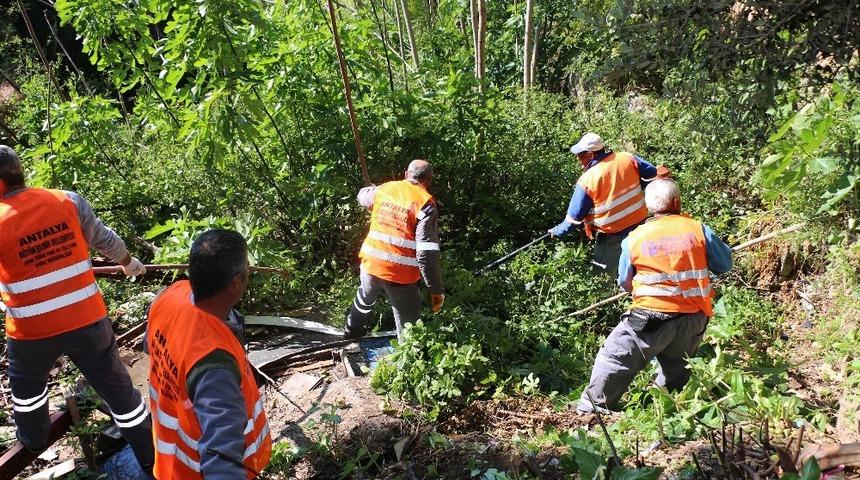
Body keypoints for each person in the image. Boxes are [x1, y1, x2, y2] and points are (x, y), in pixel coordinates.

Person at [0, 145, 153, 470]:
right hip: (88, 323)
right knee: (120, 394)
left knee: (26, 389)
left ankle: (34, 437)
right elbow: (104, 239)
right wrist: (128, 263)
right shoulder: (66, 200)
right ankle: (153, 460)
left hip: (32, 333)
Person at [577, 179, 732, 413]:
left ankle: (592, 408)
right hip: (694, 319)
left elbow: (624, 282)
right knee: (678, 369)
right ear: (677, 202)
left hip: (649, 318)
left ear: (649, 207)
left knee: (615, 358)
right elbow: (724, 264)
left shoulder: (635, 238)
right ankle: (664, 410)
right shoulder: (698, 229)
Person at [146, 229, 271, 479]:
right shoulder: (214, 365)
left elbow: (150, 346)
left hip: (169, 460)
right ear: (235, 283)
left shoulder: (170, 296)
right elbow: (221, 463)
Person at [345, 159, 444, 338]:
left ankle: (352, 332)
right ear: (428, 180)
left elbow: (362, 195)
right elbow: (426, 253)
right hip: (399, 273)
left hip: (370, 263)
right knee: (409, 322)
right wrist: (435, 289)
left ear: (406, 174)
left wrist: (371, 189)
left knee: (365, 300)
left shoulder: (385, 189)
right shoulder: (425, 203)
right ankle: (408, 359)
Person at [549, 132, 669, 277]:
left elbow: (573, 220)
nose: (578, 159)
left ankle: (606, 297)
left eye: (581, 155)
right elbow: (651, 174)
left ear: (591, 154)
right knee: (646, 268)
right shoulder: (626, 158)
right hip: (641, 227)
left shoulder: (587, 180)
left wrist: (556, 231)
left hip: (613, 236)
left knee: (601, 277)